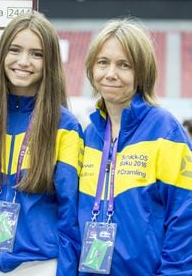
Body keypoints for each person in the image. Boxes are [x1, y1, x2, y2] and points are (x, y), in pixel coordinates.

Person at [0, 11, 83, 276]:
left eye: (36, 54)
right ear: (2, 55)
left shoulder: (65, 126)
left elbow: (70, 213)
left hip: (42, 266)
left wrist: (65, 271)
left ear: (50, 62)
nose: (23, 61)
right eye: (15, 50)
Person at [78, 18, 192, 275]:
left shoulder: (166, 132)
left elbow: (185, 218)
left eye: (124, 65)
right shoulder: (89, 134)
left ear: (141, 72)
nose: (110, 74)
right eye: (103, 62)